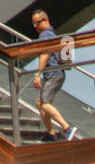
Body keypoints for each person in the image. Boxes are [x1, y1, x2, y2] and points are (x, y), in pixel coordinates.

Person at [31, 10, 78, 141]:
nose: (35, 26)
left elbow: (45, 53)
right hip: (56, 74)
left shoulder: (45, 34)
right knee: (40, 103)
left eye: (37, 22)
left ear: (45, 20)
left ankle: (67, 128)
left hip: (53, 74)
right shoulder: (53, 34)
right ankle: (51, 134)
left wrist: (37, 74)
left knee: (45, 104)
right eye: (33, 23)